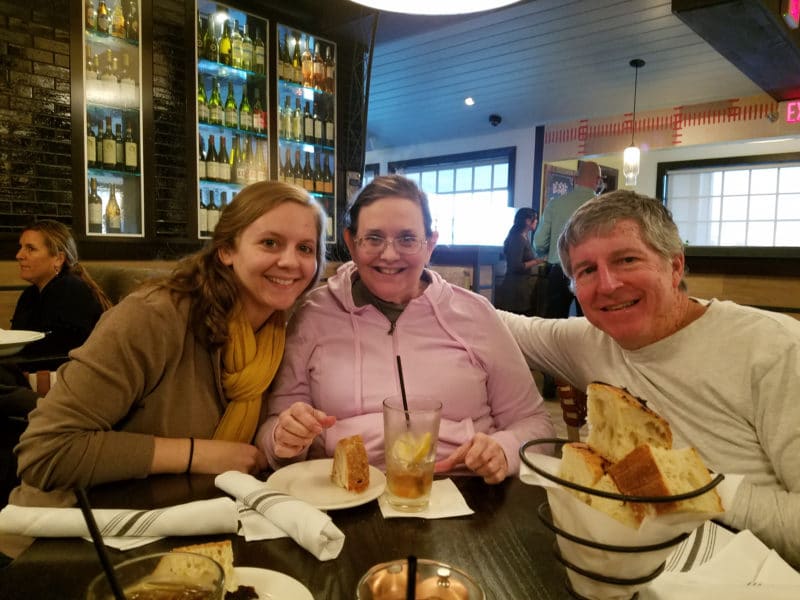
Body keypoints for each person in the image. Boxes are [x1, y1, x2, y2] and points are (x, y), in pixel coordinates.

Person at [498, 189, 800, 568]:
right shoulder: (591, 340)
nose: (607, 284)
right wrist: (415, 270)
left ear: (675, 267)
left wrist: (694, 485)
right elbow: (503, 325)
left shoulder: (773, 347)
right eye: (587, 270)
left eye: (626, 259)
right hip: (620, 567)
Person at [11, 181, 326, 508]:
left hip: (197, 519)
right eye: (270, 242)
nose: (290, 262)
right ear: (227, 250)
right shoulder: (154, 317)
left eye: (305, 248)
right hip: (79, 531)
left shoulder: (279, 337)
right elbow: (44, 451)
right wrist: (194, 453)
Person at [256, 175, 555, 484]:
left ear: (430, 244)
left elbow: (536, 424)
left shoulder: (476, 314)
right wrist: (283, 438)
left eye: (407, 239)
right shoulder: (313, 315)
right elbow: (272, 428)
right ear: (351, 244)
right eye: (373, 238)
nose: (389, 254)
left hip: (466, 494)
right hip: (345, 495)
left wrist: (504, 450)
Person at [11, 220, 112, 358]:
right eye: (21, 247)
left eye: (30, 249)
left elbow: (61, 353)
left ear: (58, 258)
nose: (19, 255)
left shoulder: (70, 291)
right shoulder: (30, 295)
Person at [534, 160, 602, 320]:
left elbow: (539, 242)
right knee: (589, 322)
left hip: (559, 270)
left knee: (554, 322)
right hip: (590, 271)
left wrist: (547, 251)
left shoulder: (555, 204)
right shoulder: (602, 206)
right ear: (598, 180)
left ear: (575, 179)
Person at [496, 208, 545, 315]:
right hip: (514, 290)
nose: (537, 221)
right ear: (527, 221)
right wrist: (537, 261)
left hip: (521, 288)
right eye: (535, 218)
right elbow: (515, 266)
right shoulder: (517, 238)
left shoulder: (524, 237)